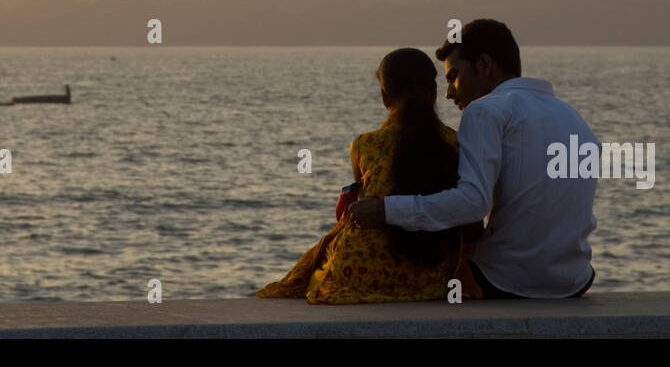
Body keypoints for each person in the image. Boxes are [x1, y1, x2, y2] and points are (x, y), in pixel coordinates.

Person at [350, 19, 598, 298]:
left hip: (508, 281)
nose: (449, 93)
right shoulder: (573, 118)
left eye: (454, 76)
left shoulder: (485, 111)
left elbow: (471, 203)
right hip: (573, 280)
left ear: (484, 65)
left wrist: (386, 210)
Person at [256, 48, 483, 304]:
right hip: (429, 278)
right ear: (433, 94)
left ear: (385, 98)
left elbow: (352, 210)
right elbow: (469, 223)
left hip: (358, 272)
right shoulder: (457, 143)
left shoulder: (364, 145)